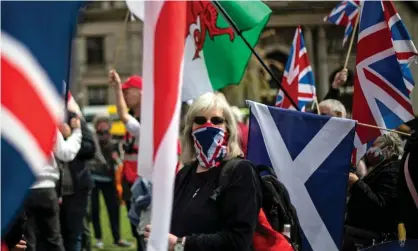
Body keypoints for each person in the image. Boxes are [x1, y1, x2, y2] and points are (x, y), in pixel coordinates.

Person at [145, 92, 262, 251]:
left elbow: (239, 240)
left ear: (228, 128)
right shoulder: (185, 173)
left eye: (216, 120)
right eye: (200, 120)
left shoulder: (240, 172)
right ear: (190, 129)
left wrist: (181, 244)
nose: (208, 125)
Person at [25, 117, 82, 251]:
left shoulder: (13, 121)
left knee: (27, 242)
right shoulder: (45, 121)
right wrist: (77, 132)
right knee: (53, 240)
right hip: (46, 189)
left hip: (23, 191)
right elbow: (66, 153)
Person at [343, 133, 404, 251]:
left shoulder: (393, 172)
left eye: (373, 145)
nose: (369, 149)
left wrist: (356, 183)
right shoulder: (384, 167)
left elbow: (381, 206)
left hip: (373, 238)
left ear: (388, 148)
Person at [89, 115, 132, 249]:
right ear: (96, 126)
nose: (103, 126)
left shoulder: (114, 140)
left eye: (105, 124)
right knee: (94, 210)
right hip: (94, 178)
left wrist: (117, 156)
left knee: (114, 209)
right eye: (100, 124)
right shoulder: (92, 139)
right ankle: (98, 238)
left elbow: (119, 158)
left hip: (110, 179)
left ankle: (117, 237)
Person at [59, 112, 96, 251]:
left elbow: (90, 149)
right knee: (57, 235)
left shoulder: (74, 118)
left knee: (74, 235)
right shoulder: (44, 115)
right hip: (53, 191)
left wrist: (70, 135)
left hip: (77, 189)